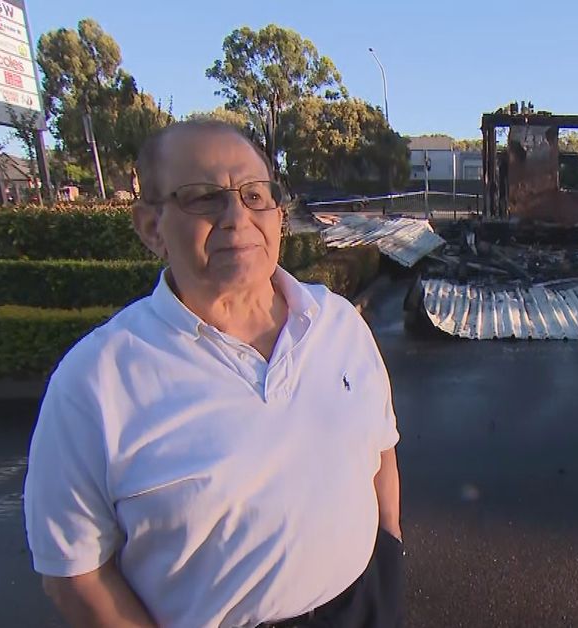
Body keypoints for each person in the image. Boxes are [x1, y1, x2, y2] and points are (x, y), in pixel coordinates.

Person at [23, 120, 404, 628]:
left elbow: (381, 449)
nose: (237, 217)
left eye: (255, 194)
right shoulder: (94, 383)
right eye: (204, 197)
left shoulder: (338, 324)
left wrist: (390, 549)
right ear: (150, 226)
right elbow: (74, 574)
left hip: (365, 605)